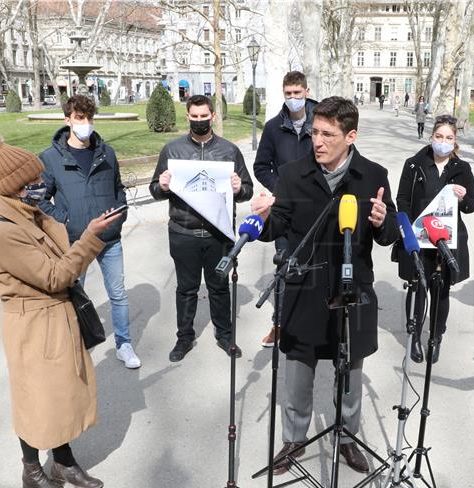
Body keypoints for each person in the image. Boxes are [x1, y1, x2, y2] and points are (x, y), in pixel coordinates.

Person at [251, 96, 399, 475]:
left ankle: (347, 439)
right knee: (298, 369)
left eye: (328, 134)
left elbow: (388, 235)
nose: (317, 141)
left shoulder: (374, 175)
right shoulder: (292, 173)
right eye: (315, 132)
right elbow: (278, 224)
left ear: (351, 135)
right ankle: (294, 440)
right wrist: (264, 218)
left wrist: (384, 222)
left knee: (350, 372)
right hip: (305, 286)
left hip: (352, 288)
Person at [0, 127, 123, 488]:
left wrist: (71, 224)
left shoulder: (31, 213)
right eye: (34, 180)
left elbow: (60, 252)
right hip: (33, 325)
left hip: (56, 317)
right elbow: (56, 275)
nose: (42, 182)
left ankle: (64, 460)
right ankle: (31, 468)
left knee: (63, 394)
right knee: (36, 399)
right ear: (15, 187)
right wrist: (91, 236)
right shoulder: (5, 231)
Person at [38, 94, 140, 370]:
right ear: (68, 119)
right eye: (80, 118)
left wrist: (119, 216)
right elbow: (39, 199)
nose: (86, 123)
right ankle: (76, 346)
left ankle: (124, 344)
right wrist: (67, 220)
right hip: (76, 241)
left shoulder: (106, 152)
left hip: (109, 239)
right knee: (74, 294)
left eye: (90, 118)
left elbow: (118, 188)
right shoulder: (50, 158)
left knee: (117, 294)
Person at [150, 94, 254, 362]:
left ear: (213, 116)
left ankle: (225, 335)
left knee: (219, 287)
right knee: (186, 288)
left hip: (218, 233)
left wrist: (238, 188)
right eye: (194, 117)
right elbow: (155, 190)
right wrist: (161, 186)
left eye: (203, 116)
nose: (199, 121)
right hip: (183, 232)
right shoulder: (172, 151)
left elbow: (248, 190)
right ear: (188, 116)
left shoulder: (229, 151)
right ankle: (184, 338)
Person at [395, 114, 474, 363]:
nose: (443, 141)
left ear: (455, 141)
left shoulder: (462, 168)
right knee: (418, 289)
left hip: (447, 241)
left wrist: (463, 199)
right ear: (431, 137)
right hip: (420, 238)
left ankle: (436, 337)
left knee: (441, 291)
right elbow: (402, 200)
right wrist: (408, 231)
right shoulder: (413, 164)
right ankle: (415, 337)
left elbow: (471, 206)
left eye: (449, 137)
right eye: (439, 136)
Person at [253, 71, 317, 348]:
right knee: (284, 265)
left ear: (306, 90)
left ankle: (316, 321)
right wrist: (281, 188)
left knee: (317, 264)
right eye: (288, 93)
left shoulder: (322, 122)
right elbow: (260, 166)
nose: (293, 98)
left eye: (297, 93)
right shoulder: (272, 128)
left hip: (318, 206)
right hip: (285, 210)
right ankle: (280, 323)